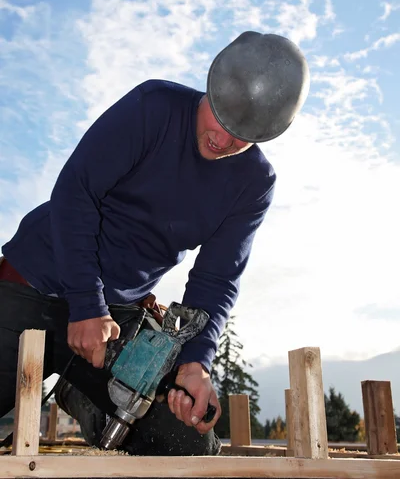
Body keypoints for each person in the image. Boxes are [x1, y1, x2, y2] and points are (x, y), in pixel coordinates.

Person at [0, 31, 309, 455]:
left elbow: (216, 280)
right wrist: (87, 305)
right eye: (219, 117)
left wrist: (195, 362)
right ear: (211, 85)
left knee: (188, 447)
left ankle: (84, 393)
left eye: (241, 136)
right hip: (38, 280)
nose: (222, 139)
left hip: (117, 317)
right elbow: (75, 193)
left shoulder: (254, 183)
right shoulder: (154, 106)